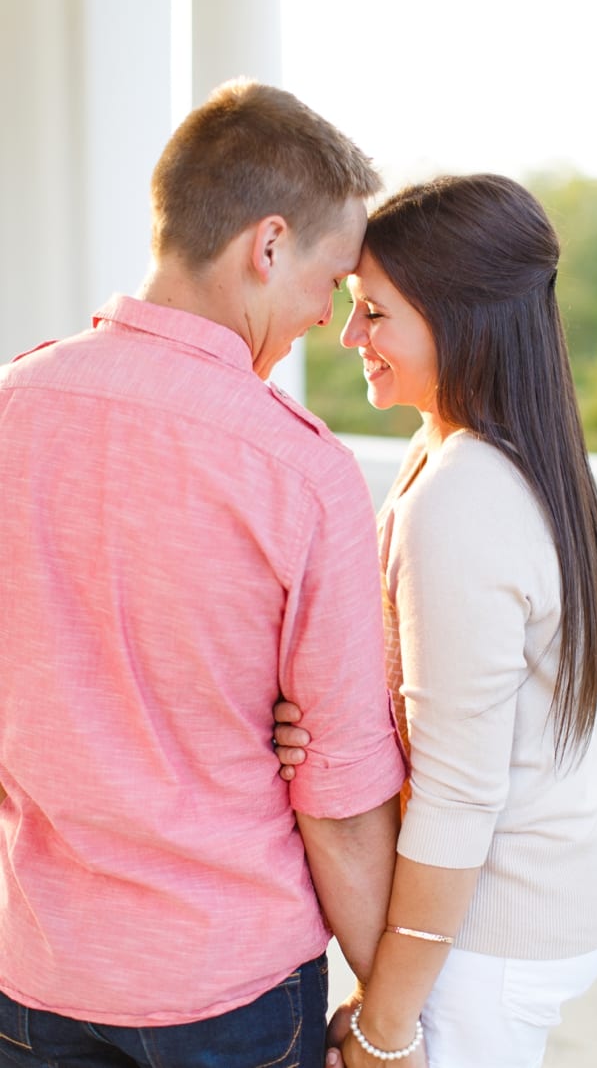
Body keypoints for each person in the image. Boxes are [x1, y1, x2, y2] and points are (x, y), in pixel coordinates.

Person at [0, 78, 408, 1068]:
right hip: (230, 986)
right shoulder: (304, 471)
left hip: (34, 966)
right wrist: (390, 1015)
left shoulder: (10, 406)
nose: (328, 316)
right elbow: (343, 801)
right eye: (332, 277)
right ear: (267, 245)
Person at [273, 173, 597, 1068]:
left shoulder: (465, 494)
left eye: (375, 312)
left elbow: (459, 792)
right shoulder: (483, 446)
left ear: (457, 316)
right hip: (545, 881)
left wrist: (383, 1020)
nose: (347, 332)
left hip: (497, 925)